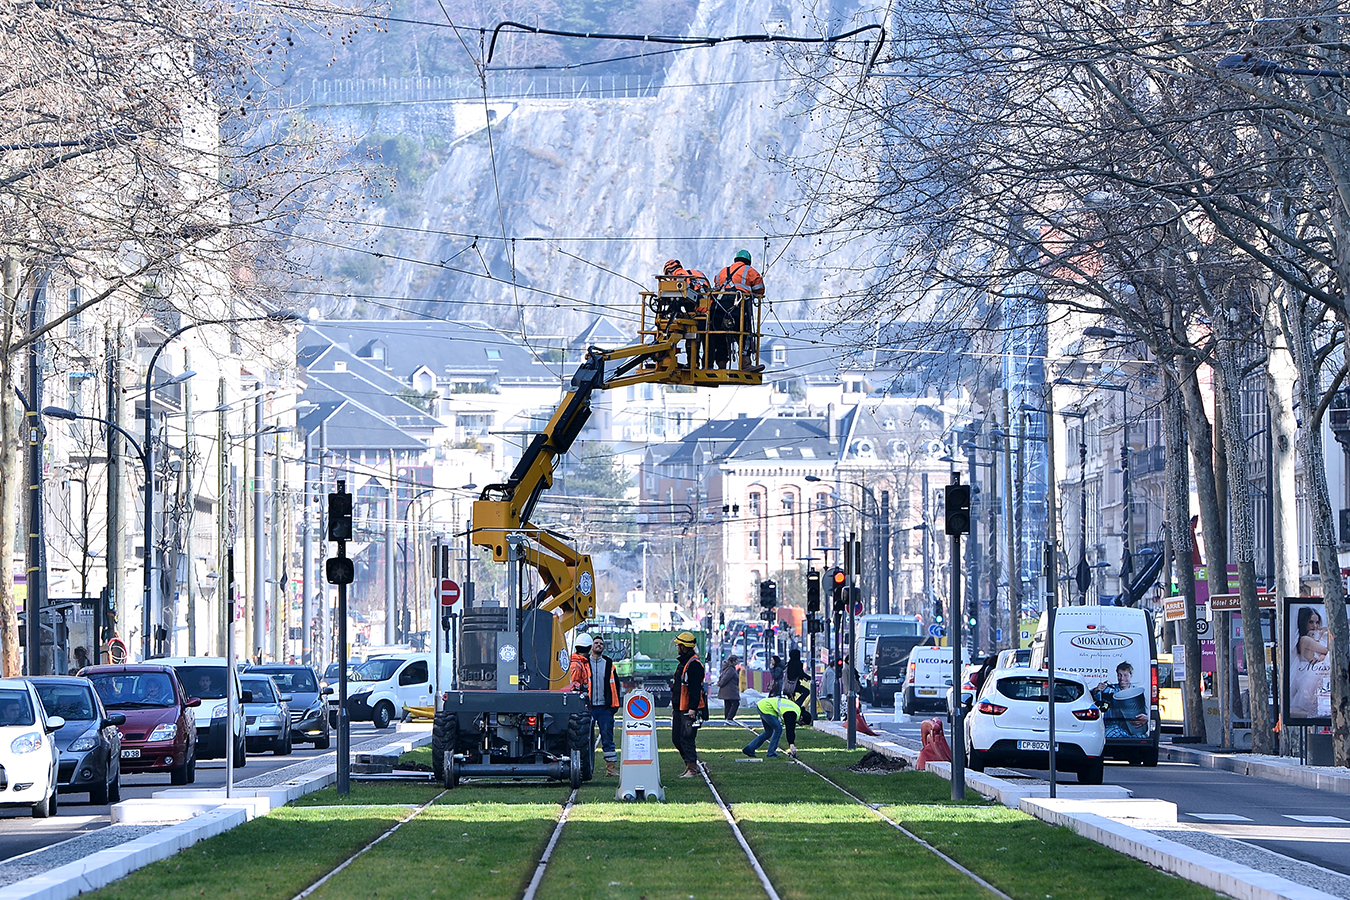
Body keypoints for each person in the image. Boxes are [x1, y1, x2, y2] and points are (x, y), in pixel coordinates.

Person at [712, 249, 765, 367]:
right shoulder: (749, 270)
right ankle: (746, 364)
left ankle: (721, 364)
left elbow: (715, 285)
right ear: (748, 262)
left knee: (720, 334)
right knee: (744, 333)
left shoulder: (722, 272)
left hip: (719, 307)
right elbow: (760, 289)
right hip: (738, 307)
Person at [671, 631, 706, 778]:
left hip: (688, 709)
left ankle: (692, 768)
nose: (677, 648)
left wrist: (692, 708)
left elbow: (694, 689)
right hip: (679, 707)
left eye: (679, 645)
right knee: (677, 738)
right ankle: (689, 765)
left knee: (686, 738)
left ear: (684, 647)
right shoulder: (684, 663)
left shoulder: (694, 665)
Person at [587, 635, 622, 777]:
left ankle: (611, 769)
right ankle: (583, 767)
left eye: (601, 644)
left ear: (604, 647)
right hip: (588, 708)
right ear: (591, 646)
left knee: (607, 738)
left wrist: (613, 706)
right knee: (584, 739)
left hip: (604, 708)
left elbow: (616, 686)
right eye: (596, 643)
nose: (599, 645)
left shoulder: (609, 664)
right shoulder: (584, 664)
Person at [1291, 606, 1331, 719]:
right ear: (1303, 623)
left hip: (1314, 670)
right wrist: (1327, 632)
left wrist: (1323, 655)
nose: (1315, 626)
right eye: (1311, 622)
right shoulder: (1305, 639)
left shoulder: (1313, 639)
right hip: (1310, 672)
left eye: (1317, 622)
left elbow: (1325, 652)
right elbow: (1329, 650)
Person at [1093, 661, 1150, 737]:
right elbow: (1093, 698)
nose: (1122, 678)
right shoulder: (1109, 690)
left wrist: (1145, 718)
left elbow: (1145, 711)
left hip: (1134, 731)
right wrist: (1096, 690)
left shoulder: (1137, 693)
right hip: (1113, 729)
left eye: (1125, 675)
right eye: (1119, 675)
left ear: (1131, 675)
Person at [742, 693, 801, 759]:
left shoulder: (795, 709)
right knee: (778, 729)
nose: (799, 724)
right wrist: (791, 744)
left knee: (768, 732)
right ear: (801, 718)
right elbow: (789, 728)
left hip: (762, 705)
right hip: (767, 708)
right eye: (801, 723)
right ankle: (771, 753)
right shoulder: (792, 712)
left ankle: (749, 749)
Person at [717, 655, 742, 721]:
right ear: (733, 661)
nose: (737, 662)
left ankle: (727, 718)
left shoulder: (727, 668)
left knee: (728, 704)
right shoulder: (731, 669)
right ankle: (729, 718)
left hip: (727, 690)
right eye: (736, 660)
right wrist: (720, 683)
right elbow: (725, 678)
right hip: (730, 690)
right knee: (735, 703)